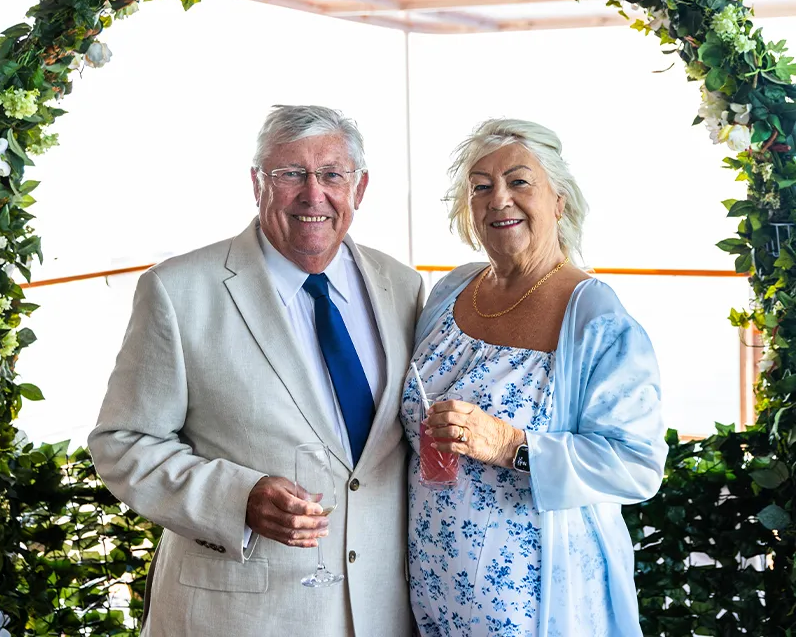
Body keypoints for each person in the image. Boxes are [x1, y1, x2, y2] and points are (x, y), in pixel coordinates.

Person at [89, 105, 423, 637]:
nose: (313, 194)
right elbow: (122, 442)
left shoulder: (403, 286)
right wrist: (237, 499)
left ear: (359, 188)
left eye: (332, 174)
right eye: (290, 174)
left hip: (382, 612)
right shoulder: (178, 291)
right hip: (240, 618)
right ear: (256, 184)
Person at [401, 118, 667, 637]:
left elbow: (637, 465)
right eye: (481, 186)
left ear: (559, 201)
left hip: (535, 599)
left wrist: (510, 445)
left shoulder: (596, 318)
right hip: (432, 584)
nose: (498, 199)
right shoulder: (451, 290)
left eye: (519, 181)